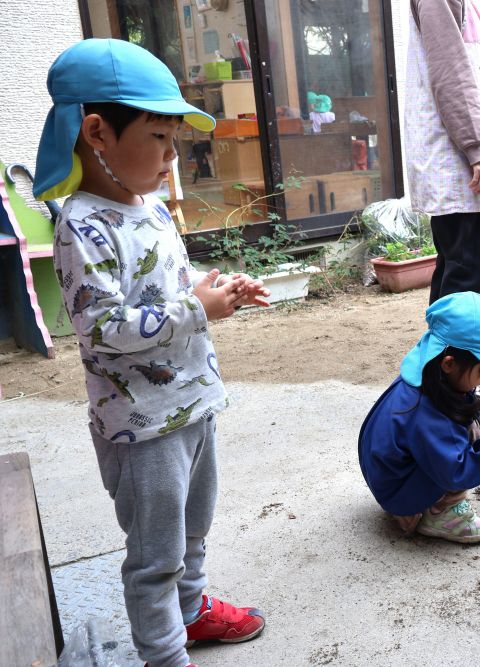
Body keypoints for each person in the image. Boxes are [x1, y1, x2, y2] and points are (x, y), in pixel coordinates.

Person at [34, 39, 269, 667]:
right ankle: (165, 655)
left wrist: (213, 291)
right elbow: (104, 325)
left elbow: (166, 293)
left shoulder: (154, 208)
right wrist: (195, 311)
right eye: (159, 138)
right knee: (154, 555)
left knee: (193, 529)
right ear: (97, 132)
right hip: (142, 428)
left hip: (192, 401)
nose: (172, 157)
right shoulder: (82, 224)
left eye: (174, 141)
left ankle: (190, 614)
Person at [358, 292, 480, 543]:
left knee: (475, 427)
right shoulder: (428, 413)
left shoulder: (427, 377)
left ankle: (430, 503)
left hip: (392, 479)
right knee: (466, 450)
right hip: (402, 498)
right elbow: (457, 471)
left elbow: (461, 408)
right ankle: (440, 514)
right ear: (449, 363)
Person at [406, 0, 480, 305]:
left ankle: (443, 351)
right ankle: (453, 353)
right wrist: (478, 150)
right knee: (467, 273)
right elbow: (450, 70)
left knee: (458, 266)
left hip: (457, 155)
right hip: (455, 158)